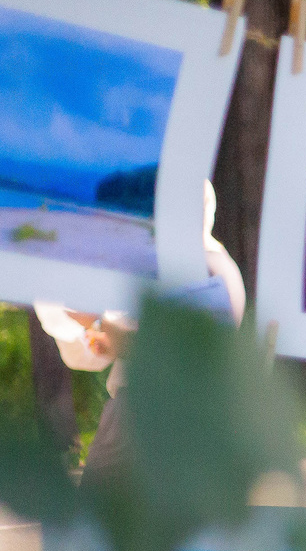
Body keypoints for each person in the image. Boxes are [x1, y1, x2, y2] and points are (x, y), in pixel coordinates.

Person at [37, 183, 247, 478]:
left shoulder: (211, 269)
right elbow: (89, 356)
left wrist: (97, 323)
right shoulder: (175, 270)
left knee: (97, 518)